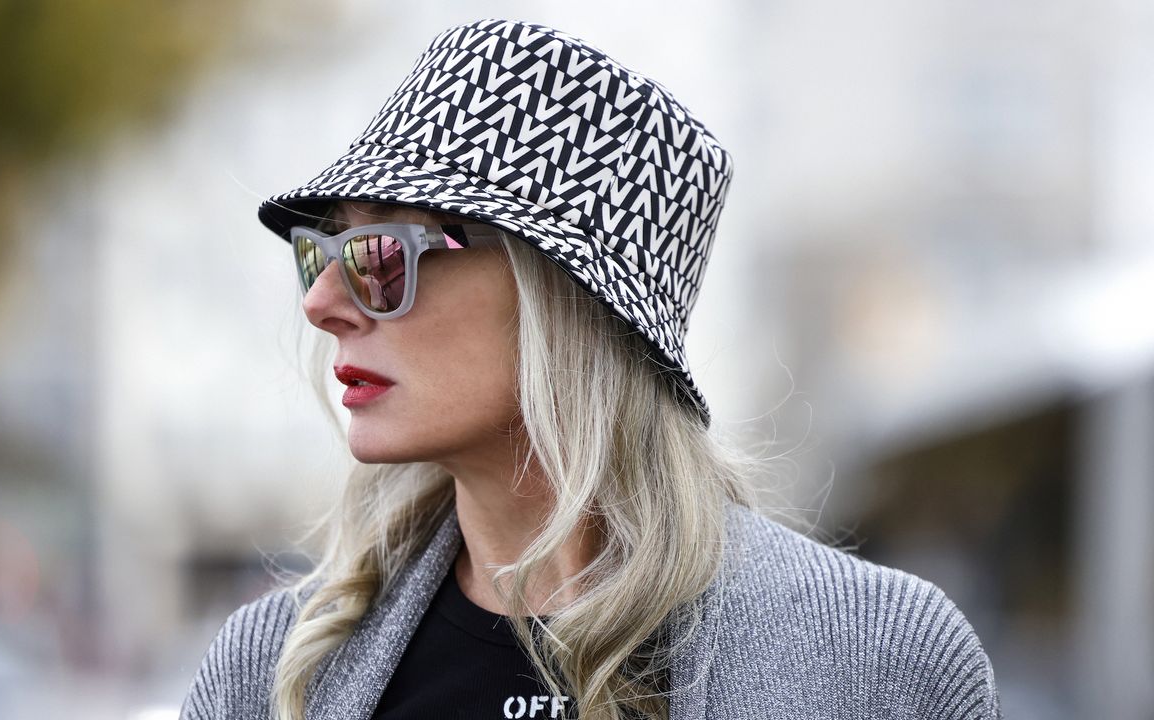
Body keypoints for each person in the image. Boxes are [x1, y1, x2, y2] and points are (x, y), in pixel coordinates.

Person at [181, 18, 1001, 720]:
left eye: (382, 256)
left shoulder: (878, 661)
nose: (324, 303)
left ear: (567, 298)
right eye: (321, 254)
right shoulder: (273, 675)